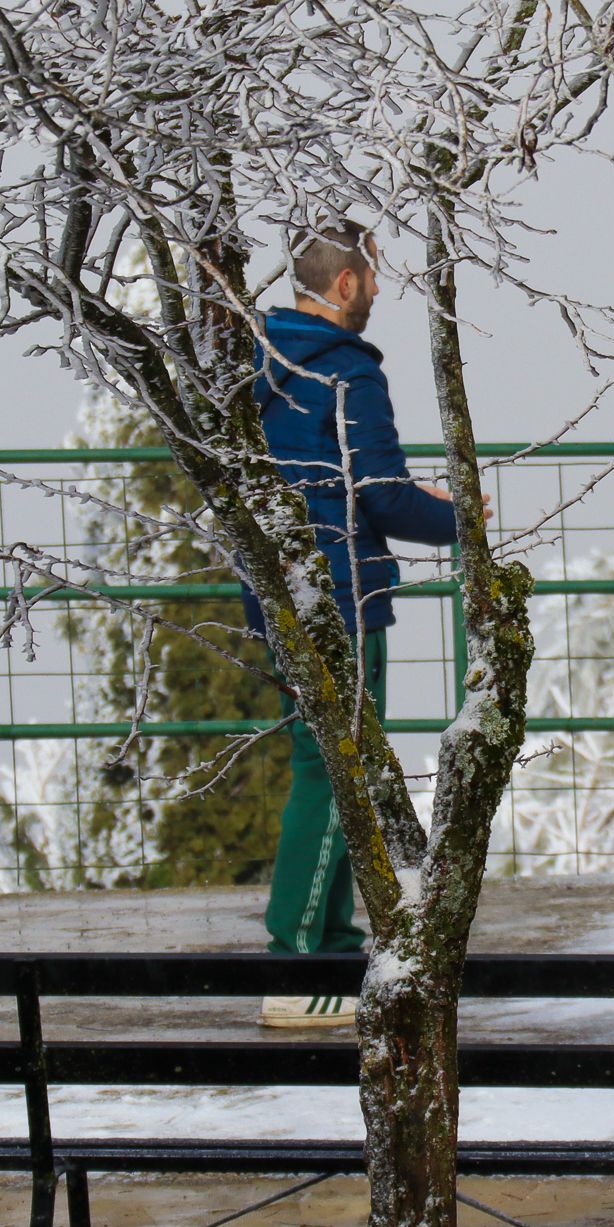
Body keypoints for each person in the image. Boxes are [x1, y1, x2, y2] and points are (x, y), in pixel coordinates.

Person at [242, 222, 459, 1027]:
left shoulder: (259, 362)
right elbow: (382, 494)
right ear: (345, 286)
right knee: (335, 769)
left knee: (328, 766)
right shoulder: (345, 373)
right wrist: (459, 515)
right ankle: (297, 963)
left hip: (275, 589)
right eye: (372, 279)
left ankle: (327, 947)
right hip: (340, 594)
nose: (377, 293)